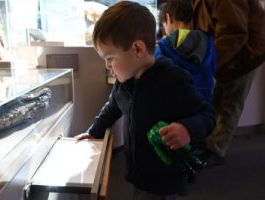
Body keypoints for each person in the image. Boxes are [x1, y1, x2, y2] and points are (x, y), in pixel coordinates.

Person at [75, 1, 215, 199]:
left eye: (110, 58)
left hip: (165, 179)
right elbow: (111, 109)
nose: (108, 66)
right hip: (139, 173)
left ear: (138, 49)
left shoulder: (173, 80)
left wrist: (187, 129)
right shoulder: (124, 83)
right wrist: (93, 132)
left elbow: (207, 115)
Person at [191, 0, 265, 167]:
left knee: (230, 102)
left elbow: (235, 34)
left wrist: (208, 63)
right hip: (230, 52)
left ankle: (216, 149)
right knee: (217, 98)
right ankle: (208, 140)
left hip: (246, 54)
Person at [155, 0, 217, 104]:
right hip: (203, 109)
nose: (165, 31)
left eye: (164, 25)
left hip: (175, 113)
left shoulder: (164, 47)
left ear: (169, 18)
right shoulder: (209, 42)